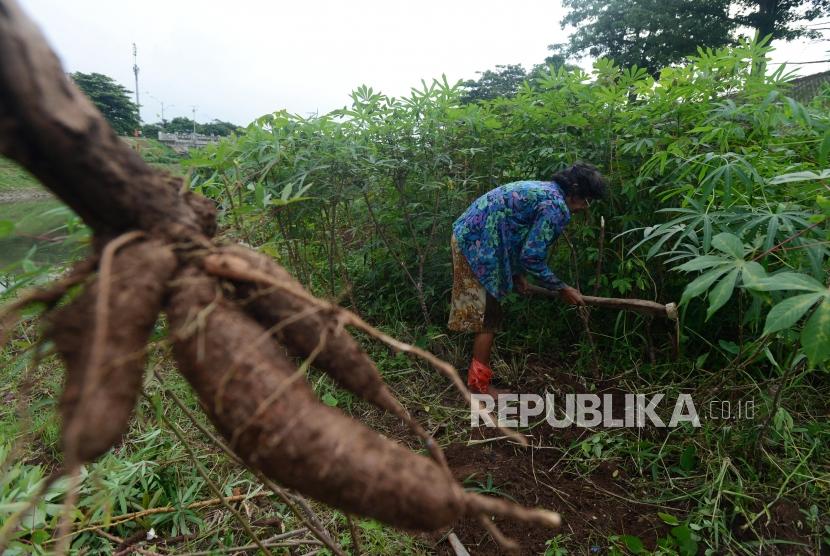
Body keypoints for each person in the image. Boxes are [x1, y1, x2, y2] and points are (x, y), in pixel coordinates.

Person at [448, 163, 608, 394]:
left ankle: (477, 380)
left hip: (470, 235)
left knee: (485, 312)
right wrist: (561, 288)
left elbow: (513, 230)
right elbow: (531, 256)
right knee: (488, 317)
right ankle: (479, 387)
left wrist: (516, 275)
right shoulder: (556, 206)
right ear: (574, 193)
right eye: (586, 199)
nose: (585, 206)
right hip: (478, 243)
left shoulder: (546, 190)